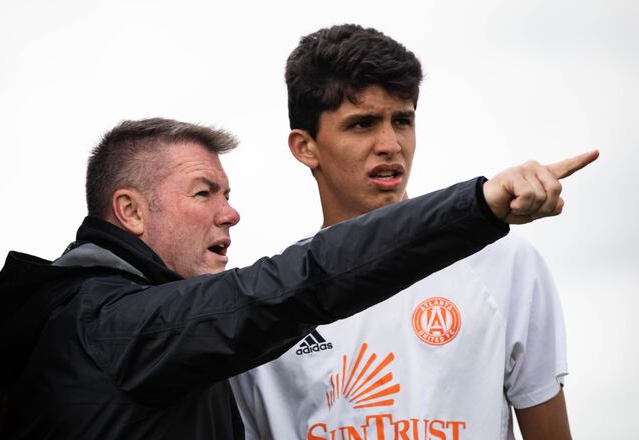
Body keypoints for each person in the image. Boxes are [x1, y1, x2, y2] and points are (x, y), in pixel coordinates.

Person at [0, 117, 594, 439]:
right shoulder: (108, 324)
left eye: (229, 193)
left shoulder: (134, 331)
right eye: (205, 193)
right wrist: (477, 207)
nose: (231, 212)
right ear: (131, 212)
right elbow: (292, 284)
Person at [229, 24, 587, 440]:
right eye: (362, 124)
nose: (390, 144)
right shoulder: (266, 303)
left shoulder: (505, 263)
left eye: (402, 120)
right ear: (305, 147)